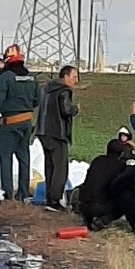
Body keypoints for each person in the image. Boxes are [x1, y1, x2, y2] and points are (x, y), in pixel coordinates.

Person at [0, 44, 39, 202]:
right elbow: (37, 99)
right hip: (26, 122)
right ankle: (23, 193)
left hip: (9, 123)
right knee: (23, 157)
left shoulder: (7, 77)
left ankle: (7, 194)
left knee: (6, 157)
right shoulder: (32, 78)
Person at [35, 64, 80, 210]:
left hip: (43, 131)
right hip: (57, 133)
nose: (76, 80)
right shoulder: (64, 91)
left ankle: (49, 198)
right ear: (65, 77)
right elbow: (65, 110)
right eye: (74, 77)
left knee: (49, 166)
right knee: (60, 168)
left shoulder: (47, 89)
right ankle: (55, 201)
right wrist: (75, 109)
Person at [79, 139, 127, 230]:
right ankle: (102, 220)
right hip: (98, 206)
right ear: (121, 153)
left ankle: (87, 220)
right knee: (124, 201)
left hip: (82, 204)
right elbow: (119, 187)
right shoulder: (120, 166)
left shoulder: (98, 160)